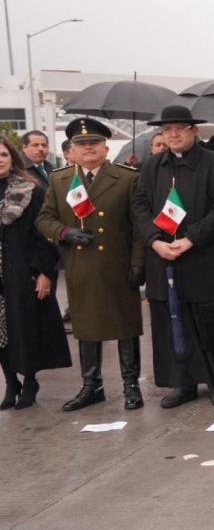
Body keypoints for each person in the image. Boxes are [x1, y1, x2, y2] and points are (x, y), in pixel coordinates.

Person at [134, 105, 214, 408]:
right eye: (167, 130)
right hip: (164, 258)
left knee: (213, 322)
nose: (173, 134)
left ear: (194, 131)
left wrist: (192, 238)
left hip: (206, 257)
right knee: (172, 322)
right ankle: (183, 383)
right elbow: (138, 207)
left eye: (179, 128)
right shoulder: (151, 166)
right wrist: (154, 241)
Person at [36, 118, 146, 412]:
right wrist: (64, 232)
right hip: (81, 265)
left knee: (125, 325)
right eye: (81, 145)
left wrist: (138, 263)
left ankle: (130, 385)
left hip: (118, 264)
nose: (88, 149)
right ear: (72, 148)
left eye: (93, 144)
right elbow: (44, 218)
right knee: (86, 326)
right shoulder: (60, 180)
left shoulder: (127, 178)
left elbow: (138, 227)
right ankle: (91, 385)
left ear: (105, 147)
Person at [0, 139, 70, 410]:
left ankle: (29, 381)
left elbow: (46, 236)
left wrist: (44, 272)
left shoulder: (31, 190)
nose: (1, 159)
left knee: (25, 329)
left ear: (13, 157)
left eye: (4, 154)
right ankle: (10, 382)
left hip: (23, 273)